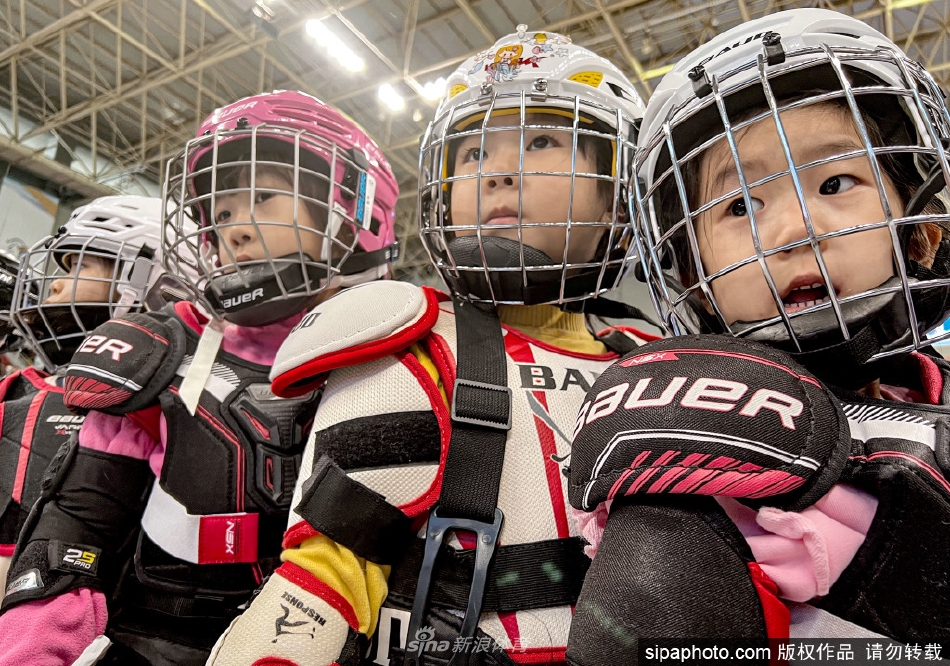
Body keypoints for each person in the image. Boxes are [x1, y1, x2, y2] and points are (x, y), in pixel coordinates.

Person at [205, 30, 655, 666]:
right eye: (472, 153)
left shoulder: (658, 357)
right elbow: (323, 581)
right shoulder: (407, 344)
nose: (498, 172)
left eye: (542, 142)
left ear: (617, 194)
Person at [565, 8, 950, 662]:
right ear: (692, 270)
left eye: (836, 182)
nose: (798, 230)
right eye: (742, 205)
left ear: (915, 221)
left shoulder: (931, 389)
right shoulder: (694, 453)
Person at [0, 90, 399, 665]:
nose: (234, 230)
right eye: (223, 213)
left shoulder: (398, 355)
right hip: (159, 644)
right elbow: (76, 532)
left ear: (355, 210)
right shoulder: (159, 351)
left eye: (262, 197)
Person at [0, 196, 186, 600]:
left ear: (148, 280)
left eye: (79, 267)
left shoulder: (180, 407)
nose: (55, 284)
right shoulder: (15, 391)